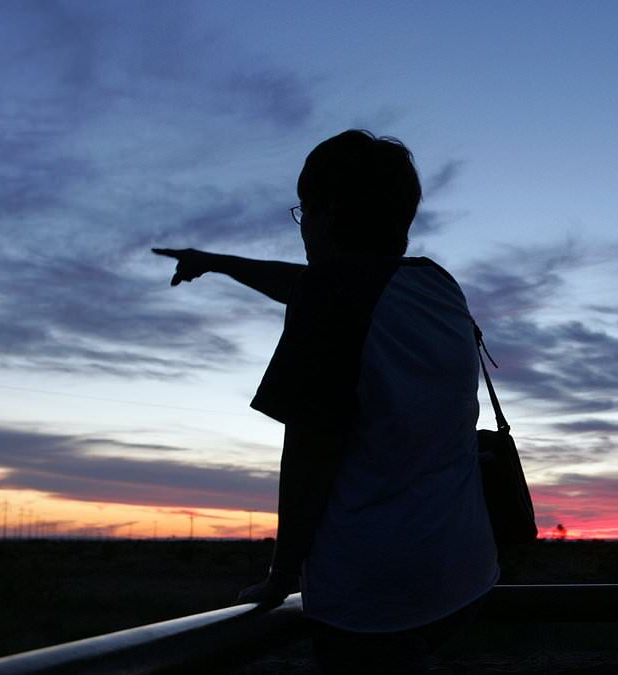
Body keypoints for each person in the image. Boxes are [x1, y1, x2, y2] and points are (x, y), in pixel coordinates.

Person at [154, 130, 499, 674]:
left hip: (374, 596)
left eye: (304, 211)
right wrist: (219, 263)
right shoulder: (437, 284)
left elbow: (310, 457)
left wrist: (281, 575)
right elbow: (328, 286)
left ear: (330, 211)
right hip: (464, 572)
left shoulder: (329, 305)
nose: (303, 228)